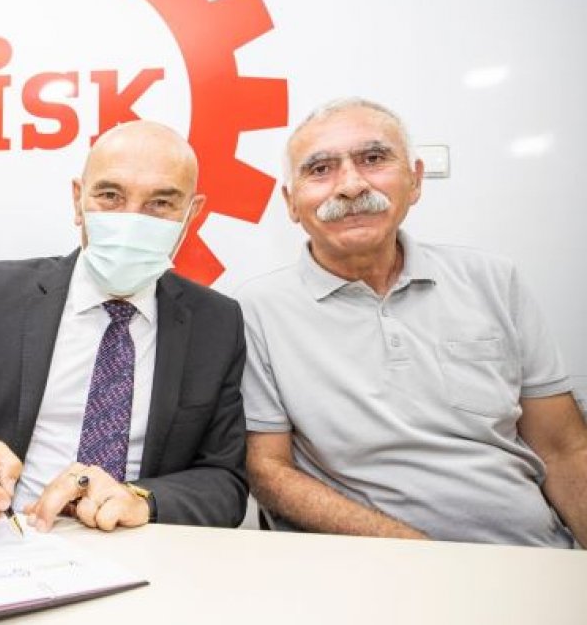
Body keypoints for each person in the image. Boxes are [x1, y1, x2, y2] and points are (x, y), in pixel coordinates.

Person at [240, 97, 587, 547]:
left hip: (531, 550)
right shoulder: (256, 310)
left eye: (373, 159)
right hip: (378, 562)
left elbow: (564, 449)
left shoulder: (494, 280)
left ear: (415, 180)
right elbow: (268, 470)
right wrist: (420, 554)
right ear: (290, 202)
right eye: (320, 169)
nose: (350, 185)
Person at [0, 121, 248, 535]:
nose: (130, 221)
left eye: (160, 203)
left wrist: (142, 499)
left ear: (192, 213)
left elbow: (225, 481)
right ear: (78, 199)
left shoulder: (217, 323)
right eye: (110, 196)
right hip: (2, 535)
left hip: (136, 545)